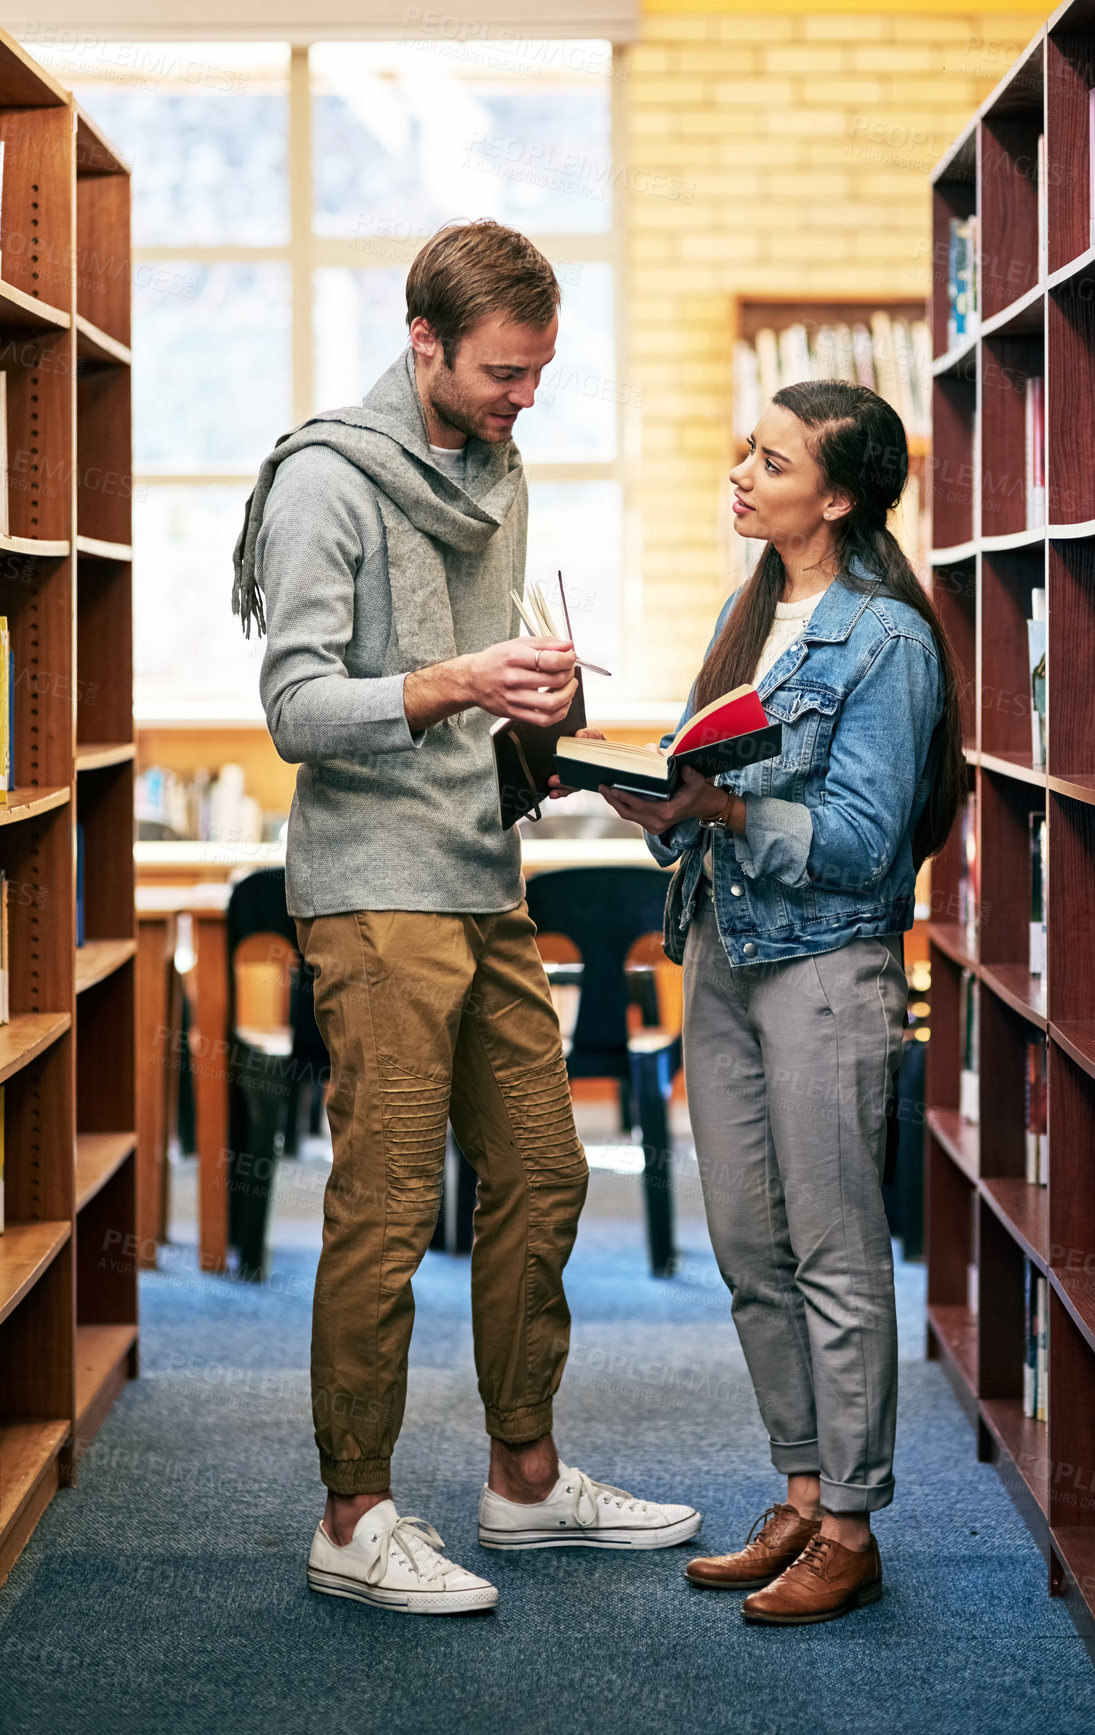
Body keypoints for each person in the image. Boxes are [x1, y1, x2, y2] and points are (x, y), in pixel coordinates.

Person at [231, 220, 701, 1617]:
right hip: (373, 887)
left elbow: (477, 708)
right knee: (382, 1201)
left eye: (539, 371)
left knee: (546, 1171)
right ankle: (351, 1509)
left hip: (483, 869)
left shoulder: (498, 469)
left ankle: (521, 1472)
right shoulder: (325, 480)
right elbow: (296, 709)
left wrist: (556, 728)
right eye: (501, 370)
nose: (521, 397)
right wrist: (455, 679)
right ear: (422, 342)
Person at [593, 381, 964, 1626]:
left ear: (840, 496)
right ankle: (799, 1494)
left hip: (823, 969)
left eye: (771, 461)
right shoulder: (752, 610)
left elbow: (866, 841)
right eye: (744, 452)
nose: (740, 475)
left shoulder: (887, 640)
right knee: (748, 1248)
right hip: (722, 954)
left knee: (834, 1252)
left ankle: (851, 1527)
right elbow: (712, 772)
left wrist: (725, 810)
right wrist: (661, 803)